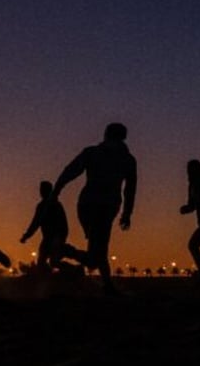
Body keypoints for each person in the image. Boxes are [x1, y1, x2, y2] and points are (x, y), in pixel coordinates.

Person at [52, 123, 137, 294]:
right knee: (97, 251)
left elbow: (71, 170)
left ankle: (107, 285)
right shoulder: (127, 159)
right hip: (105, 206)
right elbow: (130, 189)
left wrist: (58, 188)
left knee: (98, 249)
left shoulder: (93, 152)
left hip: (87, 205)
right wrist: (127, 213)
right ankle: (66, 251)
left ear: (106, 134)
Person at [20, 181, 74, 273]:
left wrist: (60, 238)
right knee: (41, 263)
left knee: (54, 262)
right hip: (47, 238)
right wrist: (26, 236)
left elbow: (63, 224)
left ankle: (75, 270)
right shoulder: (42, 206)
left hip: (56, 237)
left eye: (43, 190)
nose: (41, 192)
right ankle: (47, 277)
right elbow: (35, 223)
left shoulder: (55, 205)